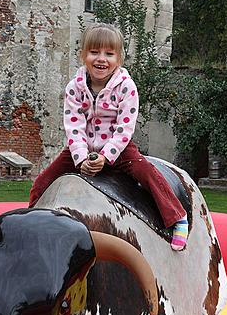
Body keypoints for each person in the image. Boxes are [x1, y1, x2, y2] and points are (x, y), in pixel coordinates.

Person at [29, 23, 189, 251]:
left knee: (147, 172)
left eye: (109, 54)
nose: (101, 59)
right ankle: (29, 222)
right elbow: (74, 126)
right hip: (82, 149)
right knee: (43, 181)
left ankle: (176, 216)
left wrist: (106, 156)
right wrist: (81, 158)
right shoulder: (74, 88)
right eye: (94, 52)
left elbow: (125, 128)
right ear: (83, 55)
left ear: (119, 59)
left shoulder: (126, 88)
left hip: (118, 148)